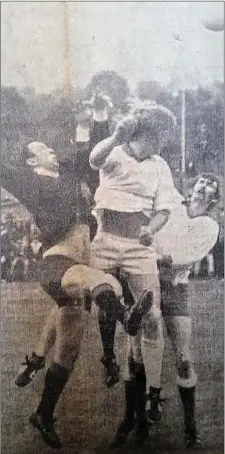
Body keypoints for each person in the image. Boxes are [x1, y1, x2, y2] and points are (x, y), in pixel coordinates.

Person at [4, 140, 149, 447]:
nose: (50, 148)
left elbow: (89, 150)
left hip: (80, 264)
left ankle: (42, 414)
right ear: (31, 162)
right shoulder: (28, 180)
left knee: (68, 350)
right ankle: (125, 315)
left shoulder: (69, 174)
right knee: (99, 280)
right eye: (42, 148)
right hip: (56, 263)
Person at [111, 173, 220, 449]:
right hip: (146, 283)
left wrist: (147, 257)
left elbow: (182, 257)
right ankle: (132, 421)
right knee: (135, 356)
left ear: (213, 198)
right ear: (193, 187)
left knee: (183, 358)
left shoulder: (208, 225)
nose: (203, 188)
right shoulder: (170, 207)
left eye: (211, 186)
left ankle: (190, 427)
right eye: (202, 183)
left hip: (175, 289)